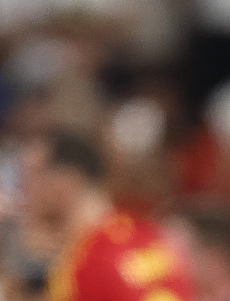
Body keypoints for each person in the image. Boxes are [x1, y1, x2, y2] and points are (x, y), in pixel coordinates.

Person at [19, 126, 196, 300]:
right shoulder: (152, 237)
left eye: (30, 176)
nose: (23, 190)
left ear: (65, 183)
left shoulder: (84, 266)